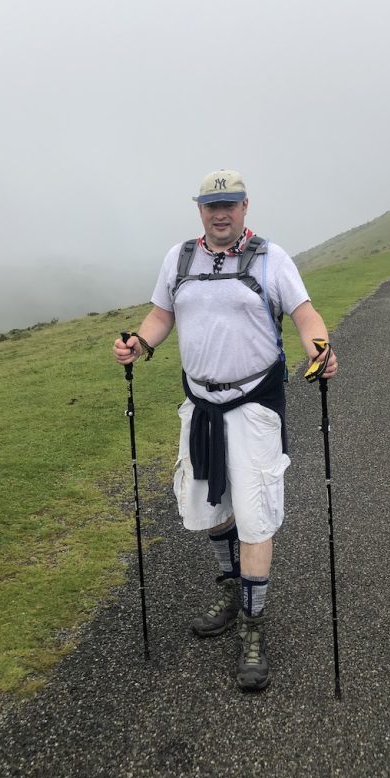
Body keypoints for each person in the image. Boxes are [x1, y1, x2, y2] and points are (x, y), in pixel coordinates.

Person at [113, 169, 338, 692]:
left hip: (255, 404)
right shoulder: (180, 258)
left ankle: (254, 625)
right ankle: (233, 593)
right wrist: (139, 345)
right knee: (209, 508)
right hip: (200, 405)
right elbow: (160, 315)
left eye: (229, 205)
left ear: (244, 207)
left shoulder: (271, 258)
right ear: (200, 210)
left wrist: (320, 348)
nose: (220, 213)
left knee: (256, 514)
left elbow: (305, 316)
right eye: (211, 205)